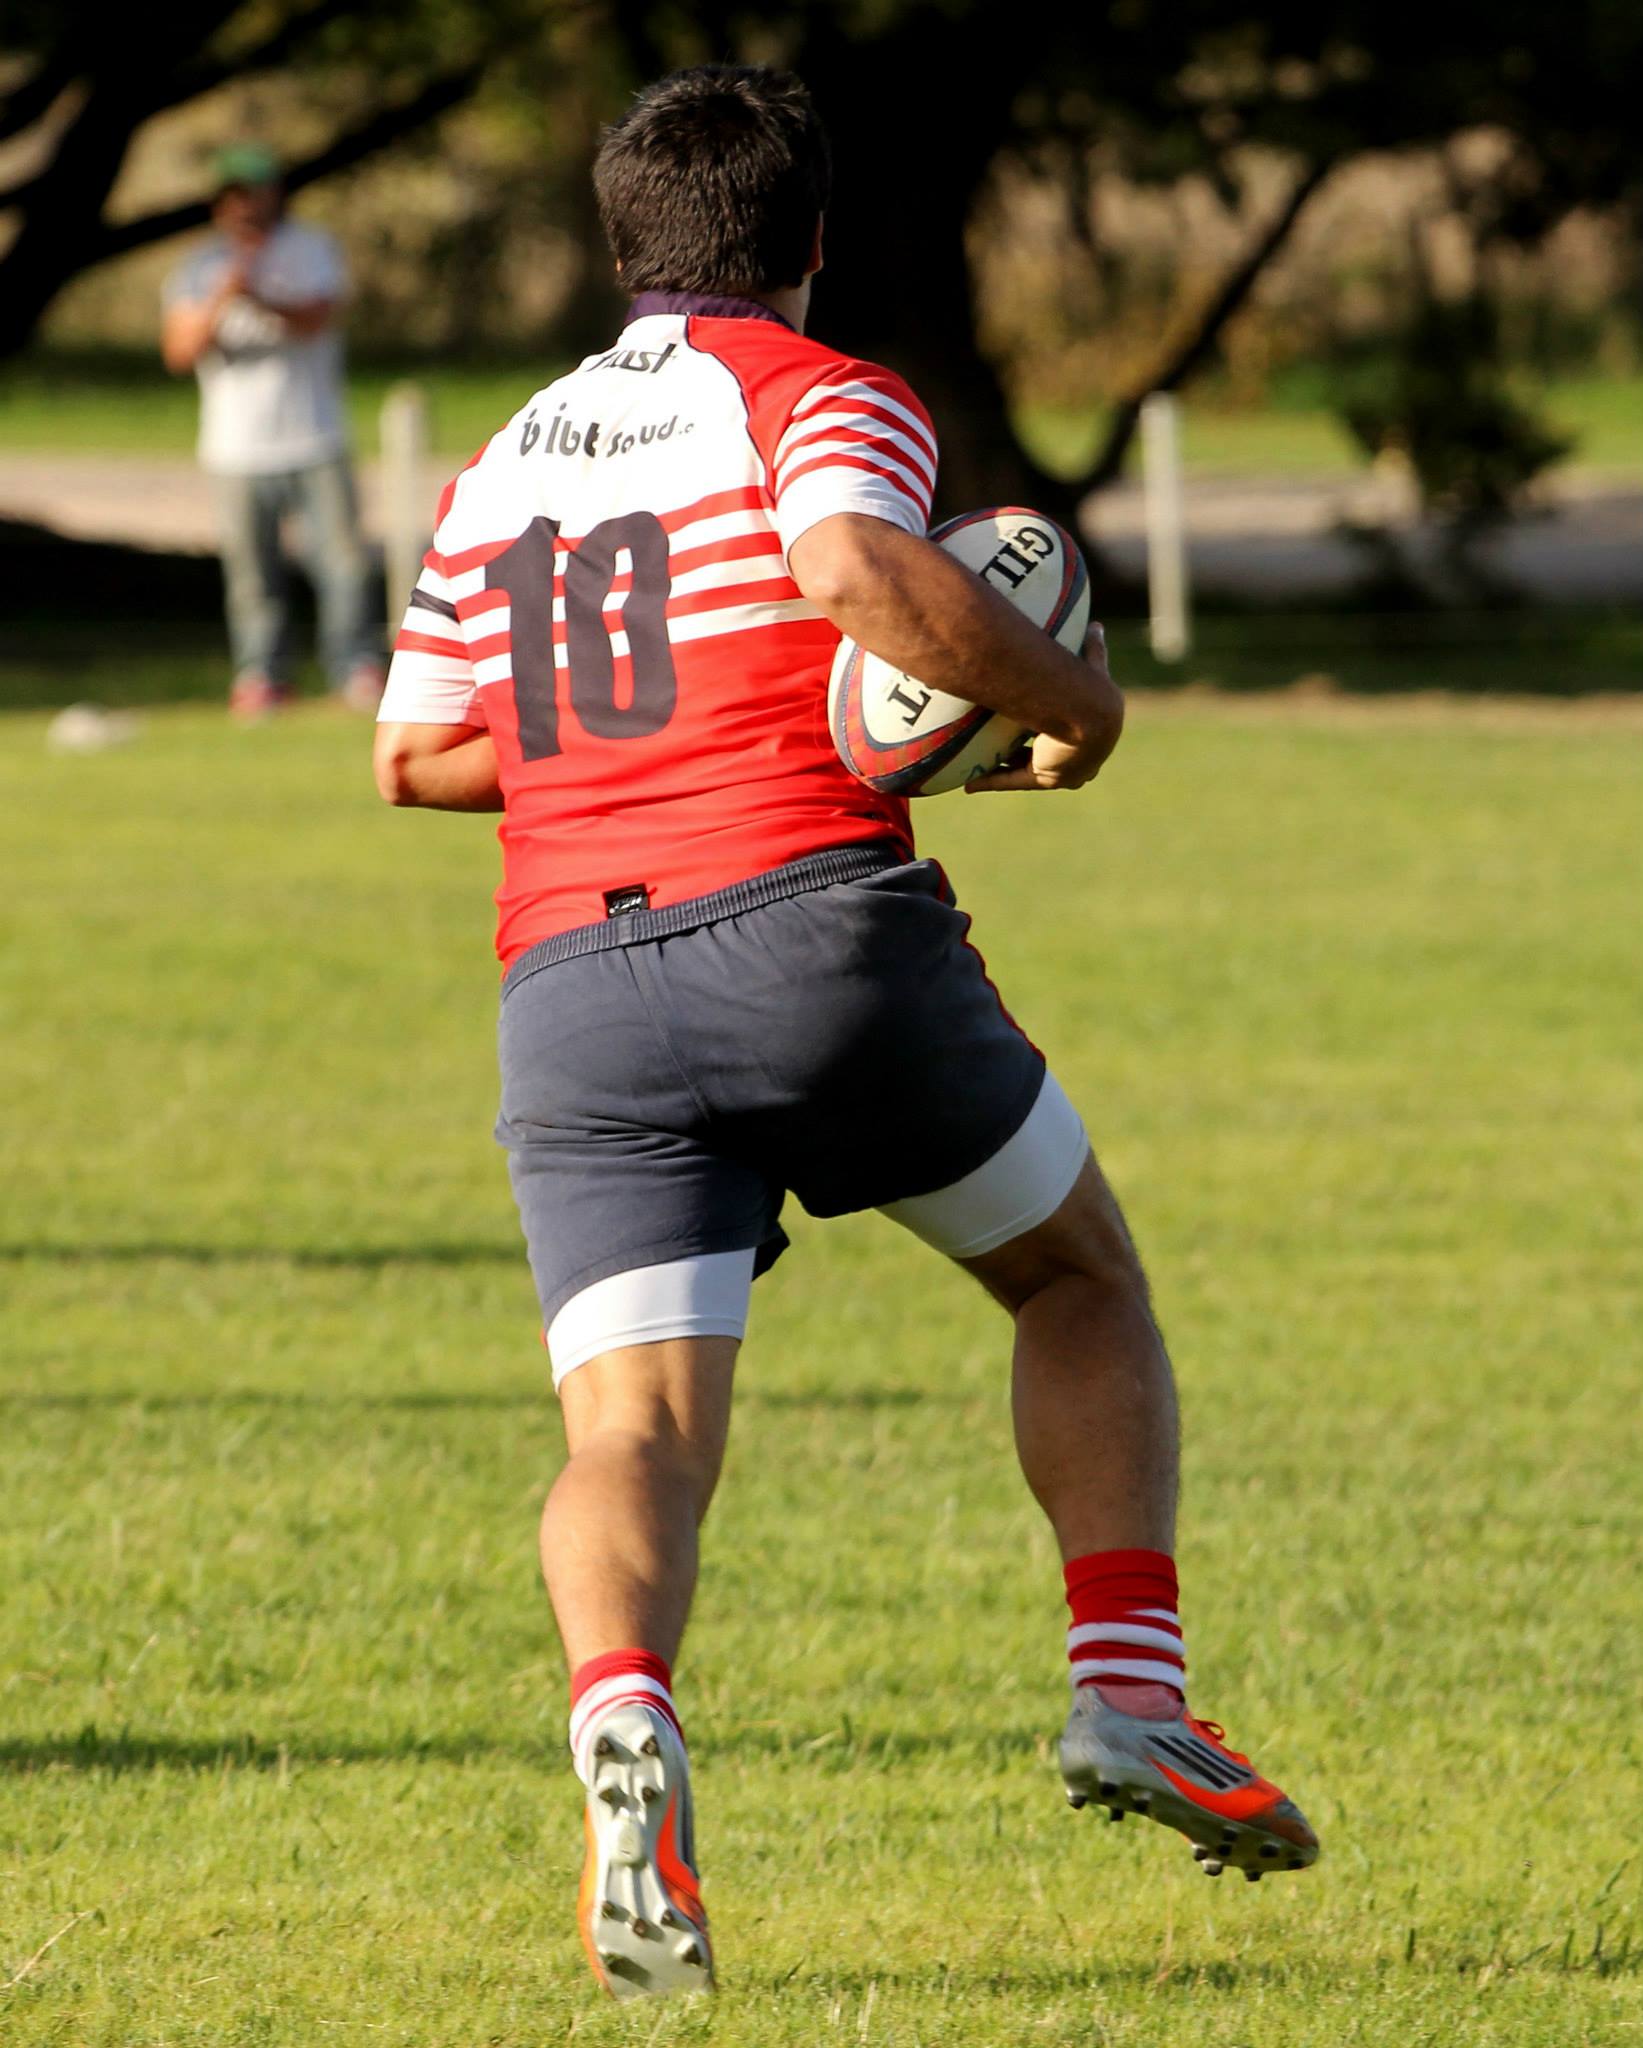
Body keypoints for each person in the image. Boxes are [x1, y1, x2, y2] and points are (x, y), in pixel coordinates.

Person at [373, 66, 1320, 2001]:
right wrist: (1071, 702)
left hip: (568, 982)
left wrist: (629, 759)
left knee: (631, 1427)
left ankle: (621, 1708)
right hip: (809, 930)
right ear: (810, 245)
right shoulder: (822, 391)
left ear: (618, 242)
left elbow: (416, 754)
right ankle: (1127, 1692)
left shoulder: (497, 464)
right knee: (1075, 1277)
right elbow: (851, 575)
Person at [162, 144, 383, 719]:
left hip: (313, 434)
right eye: (234, 196)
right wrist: (222, 294)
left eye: (255, 193)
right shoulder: (197, 267)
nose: (245, 206)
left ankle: (355, 665)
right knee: (252, 574)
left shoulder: (311, 250)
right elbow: (180, 351)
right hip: (236, 445)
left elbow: (318, 319)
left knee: (342, 561)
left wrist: (259, 293)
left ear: (274, 195)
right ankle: (261, 675)